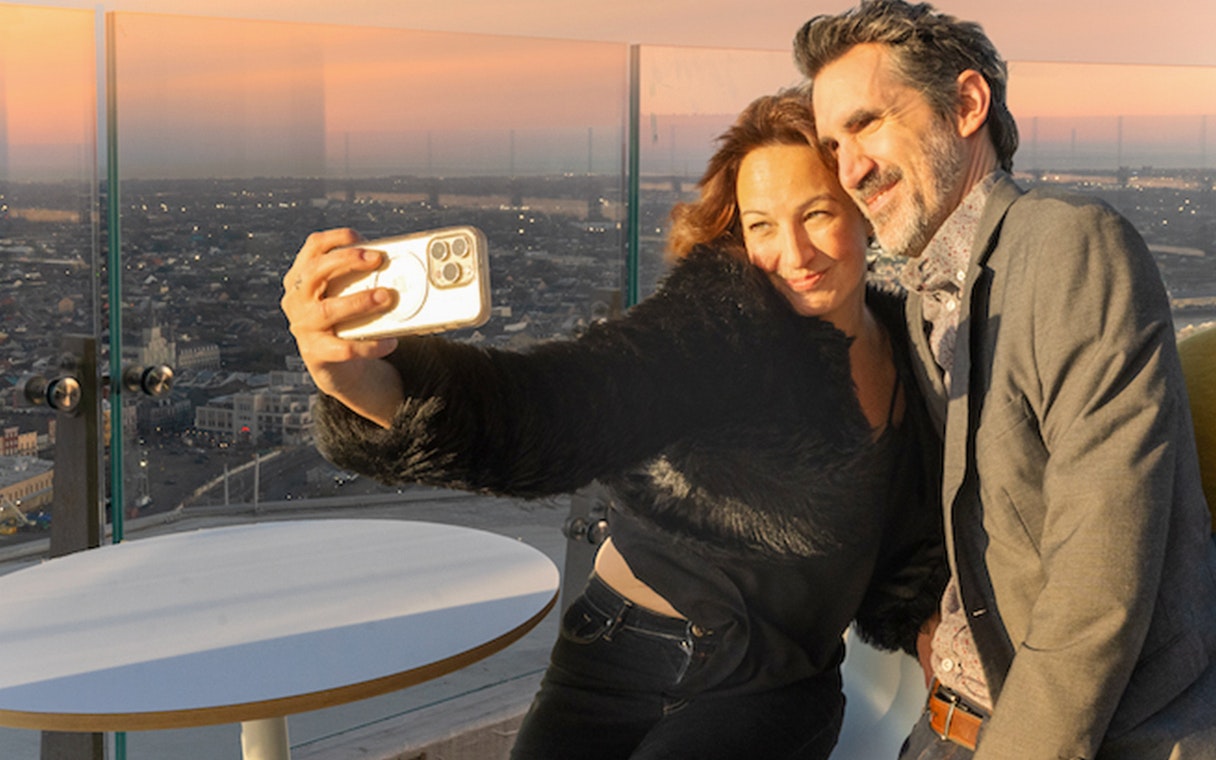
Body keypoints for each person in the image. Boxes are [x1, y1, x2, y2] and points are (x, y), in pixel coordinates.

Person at [280, 92, 946, 760]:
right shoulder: (723, 323)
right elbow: (564, 403)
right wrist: (363, 385)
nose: (792, 251)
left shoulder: (914, 356)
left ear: (864, 209)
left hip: (766, 683)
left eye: (817, 213)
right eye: (761, 225)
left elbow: (903, 539)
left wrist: (925, 620)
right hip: (611, 652)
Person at [794, 2, 1216, 758]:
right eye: (832, 142)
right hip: (949, 721)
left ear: (966, 105)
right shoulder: (933, 297)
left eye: (867, 124)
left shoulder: (1068, 244)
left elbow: (1098, 585)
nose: (848, 167)